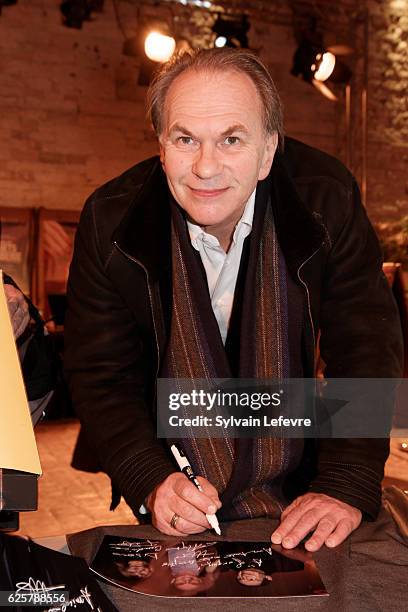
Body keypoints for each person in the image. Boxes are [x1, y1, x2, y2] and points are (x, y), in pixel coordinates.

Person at [64, 48, 403, 553]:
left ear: (268, 151)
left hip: (302, 482)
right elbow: (100, 374)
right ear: (162, 147)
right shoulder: (109, 222)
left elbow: (366, 348)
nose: (205, 166)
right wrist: (150, 479)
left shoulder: (326, 199)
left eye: (231, 139)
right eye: (185, 139)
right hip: (173, 477)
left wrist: (345, 482)